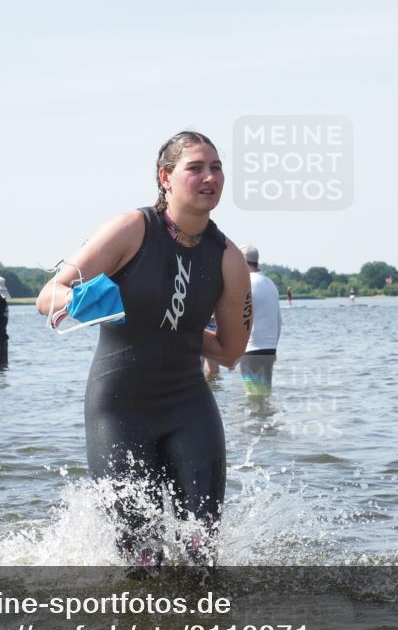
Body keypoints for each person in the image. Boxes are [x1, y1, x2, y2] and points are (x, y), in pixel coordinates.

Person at [36, 131, 251, 568]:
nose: (209, 177)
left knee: (201, 552)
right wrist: (87, 300)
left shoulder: (228, 258)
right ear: (165, 177)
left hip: (189, 406)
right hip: (119, 408)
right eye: (195, 167)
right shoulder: (131, 230)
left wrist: (180, 332)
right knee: (142, 555)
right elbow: (47, 296)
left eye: (216, 167)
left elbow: (230, 352)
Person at [238, 244, 282, 397]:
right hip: (269, 349)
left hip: (252, 350)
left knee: (252, 397)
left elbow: (238, 317)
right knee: (264, 396)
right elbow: (278, 320)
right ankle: (266, 421)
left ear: (243, 262)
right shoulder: (270, 284)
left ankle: (254, 422)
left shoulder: (245, 282)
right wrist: (274, 346)